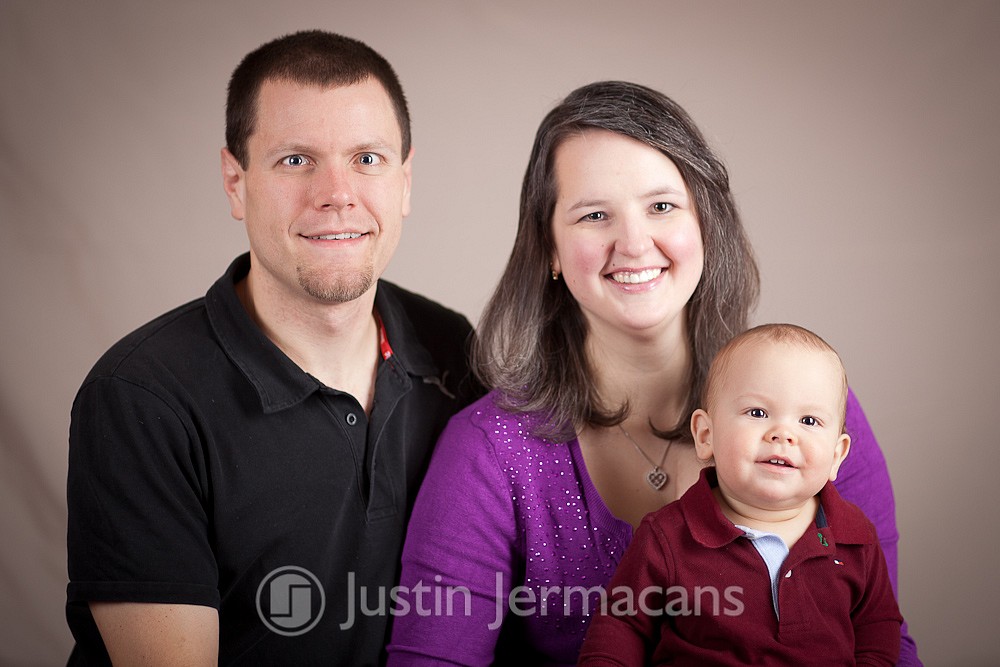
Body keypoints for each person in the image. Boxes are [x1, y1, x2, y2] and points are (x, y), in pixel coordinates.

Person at [386, 81, 919, 665]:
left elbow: (881, 636)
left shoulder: (811, 410)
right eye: (594, 215)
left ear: (705, 222)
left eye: (662, 206)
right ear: (550, 249)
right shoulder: (489, 450)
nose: (635, 244)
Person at [66, 30, 479, 665]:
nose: (337, 193)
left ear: (404, 180)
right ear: (235, 182)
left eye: (367, 158)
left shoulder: (452, 349)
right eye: (295, 160)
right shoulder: (142, 399)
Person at [577, 323, 902, 665]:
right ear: (706, 435)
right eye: (757, 413)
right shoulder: (668, 536)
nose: (783, 434)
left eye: (808, 421)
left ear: (837, 456)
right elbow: (622, 626)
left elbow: (878, 630)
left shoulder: (855, 537)